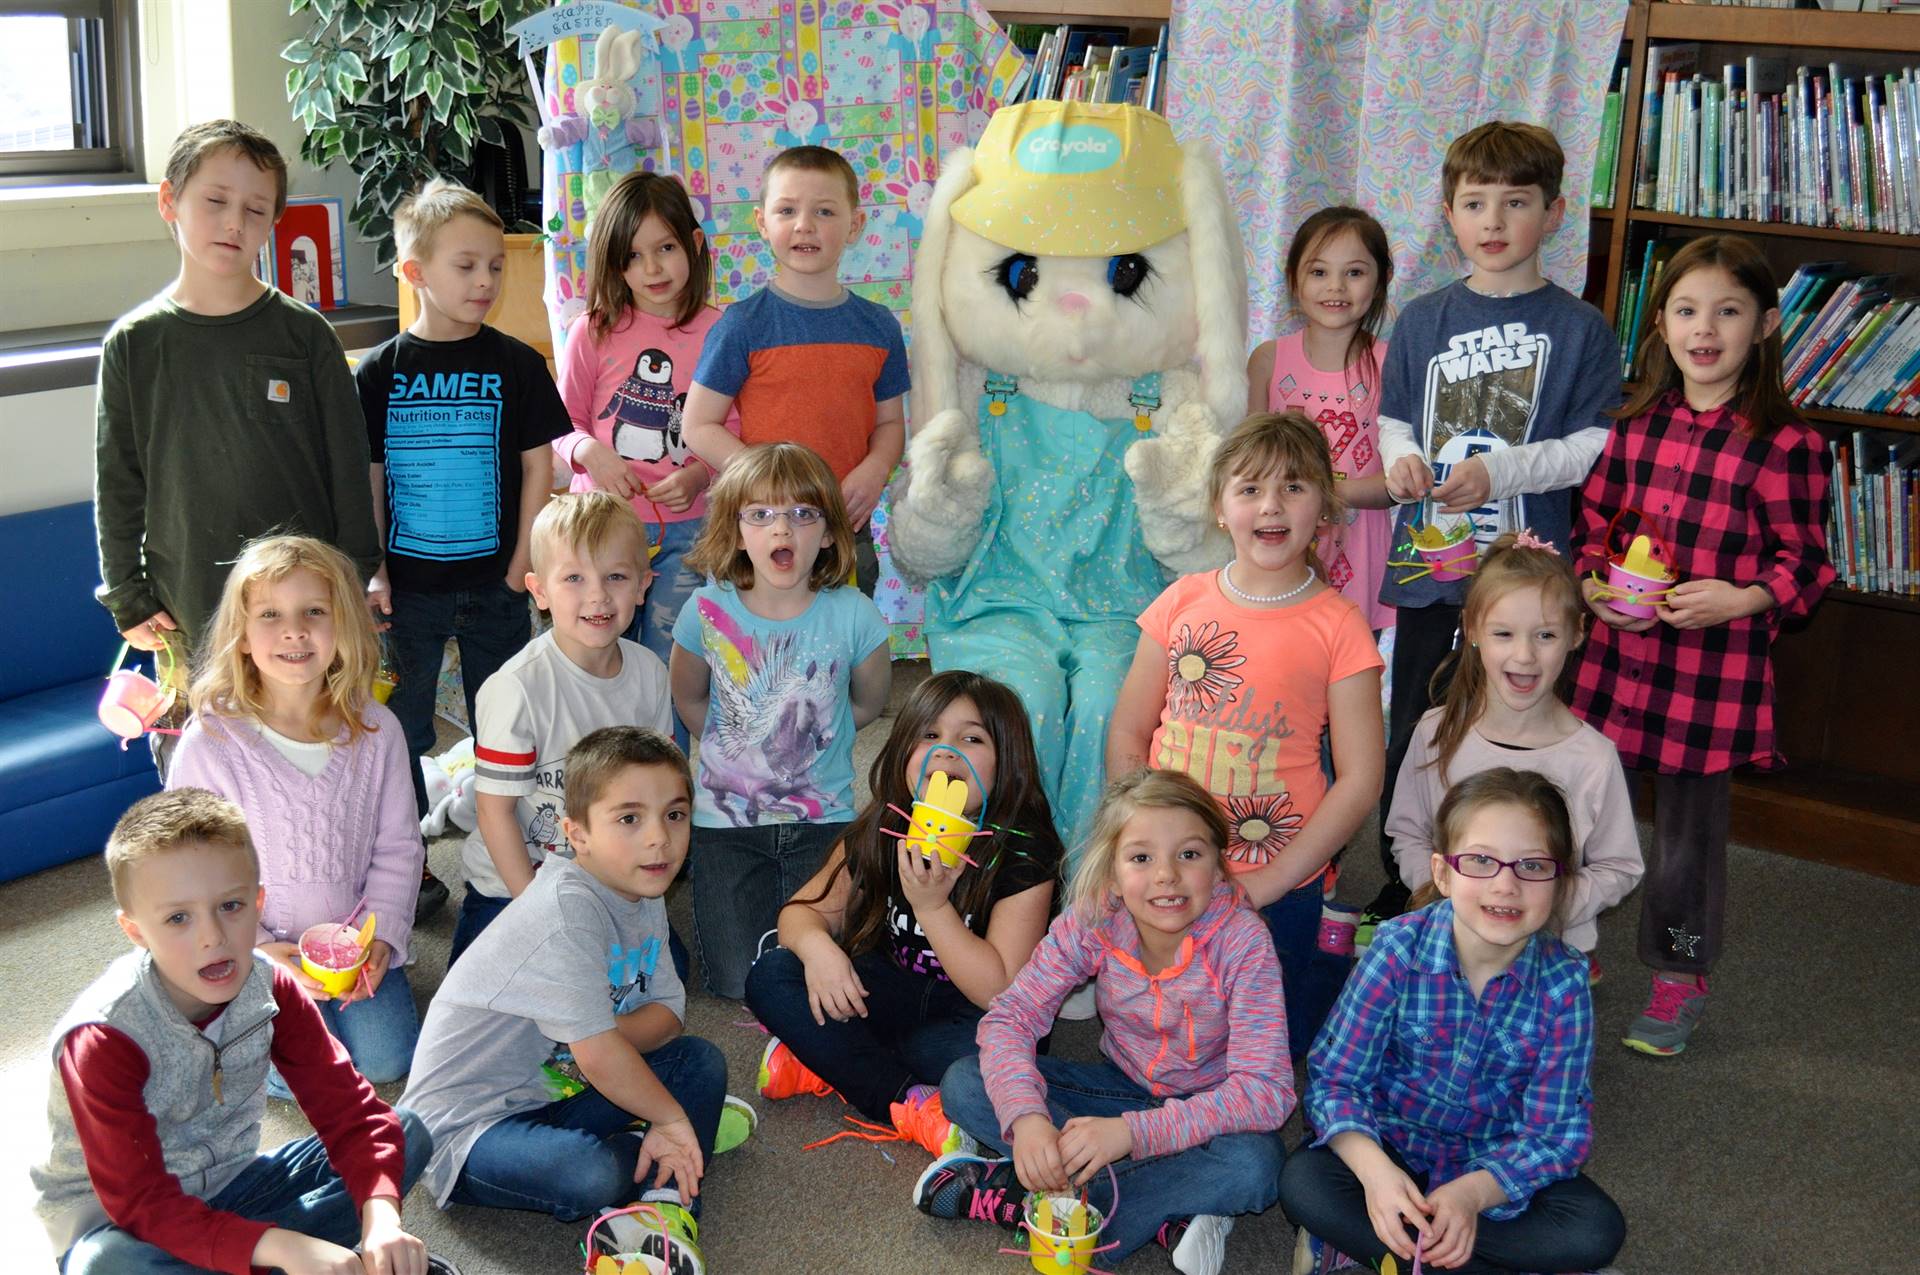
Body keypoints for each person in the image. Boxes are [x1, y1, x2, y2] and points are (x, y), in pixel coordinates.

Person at [1571, 235, 1834, 1057]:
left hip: (1707, 679)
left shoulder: (1789, 445)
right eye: (1686, 310)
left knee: (1686, 844)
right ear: (1661, 325)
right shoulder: (1633, 422)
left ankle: (1680, 973)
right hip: (1613, 663)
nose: (1705, 329)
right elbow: (1590, 533)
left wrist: (1742, 597)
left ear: (1764, 324)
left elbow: (1808, 566)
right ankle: (1572, 946)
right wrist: (1593, 587)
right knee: (1579, 812)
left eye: (1728, 310)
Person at [1370, 121, 1622, 935]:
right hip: (1429, 565)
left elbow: (1591, 445)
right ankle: (1409, 880)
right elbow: (1395, 418)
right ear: (1448, 212)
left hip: (1528, 574)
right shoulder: (1420, 319)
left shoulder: (1581, 327)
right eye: (1475, 202)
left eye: (1515, 202)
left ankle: (1529, 887)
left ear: (1552, 214)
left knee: (1521, 721)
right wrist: (1404, 459)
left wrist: (1501, 472)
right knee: (1415, 720)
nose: (1493, 219)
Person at [31, 789, 436, 1275]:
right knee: (104, 1265)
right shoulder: (102, 1038)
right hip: (124, 1225)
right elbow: (142, 1203)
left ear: (258, 902)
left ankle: (275, 1257)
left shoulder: (272, 986)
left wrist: (382, 1221)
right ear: (135, 931)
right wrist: (288, 1248)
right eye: (178, 918)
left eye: (231, 906)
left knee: (404, 1133)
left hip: (234, 1187)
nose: (213, 937)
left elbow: (351, 1111)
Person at [916, 769, 1291, 1275]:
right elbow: (1011, 1017)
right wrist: (1027, 1119)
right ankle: (1155, 1206)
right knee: (964, 1081)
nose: (1166, 875)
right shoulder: (1095, 918)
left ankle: (1030, 1197)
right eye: (1141, 857)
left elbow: (1265, 1091)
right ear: (1112, 873)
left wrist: (1133, 1136)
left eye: (1189, 854)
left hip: (1210, 1112)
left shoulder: (1243, 943)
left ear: (1219, 868)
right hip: (1118, 1087)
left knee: (1257, 1166)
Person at [93, 119, 380, 775]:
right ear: (170, 202)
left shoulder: (305, 336)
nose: (234, 222)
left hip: (305, 604)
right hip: (189, 599)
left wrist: (355, 578)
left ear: (272, 224)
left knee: (312, 757)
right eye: (215, 201)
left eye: (255, 209)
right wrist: (129, 595)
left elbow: (346, 464)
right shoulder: (134, 344)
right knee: (206, 776)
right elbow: (118, 482)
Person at [403, 728, 744, 1275]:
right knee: (591, 1175)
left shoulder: (641, 883)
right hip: (467, 1128)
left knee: (701, 1060)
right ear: (575, 834)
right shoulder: (566, 910)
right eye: (629, 819)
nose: (659, 839)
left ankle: (665, 1204)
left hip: (559, 1084)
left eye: (674, 815)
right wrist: (665, 1108)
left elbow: (670, 1015)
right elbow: (605, 1051)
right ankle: (665, 1144)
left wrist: (599, 1043)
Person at [1108, 411, 1384, 1057]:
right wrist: (1138, 836)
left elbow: (1362, 776)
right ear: (1219, 506)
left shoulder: (1341, 624)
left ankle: (1342, 968)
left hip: (1276, 876)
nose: (1271, 504)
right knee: (1167, 1032)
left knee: (1274, 1044)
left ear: (1325, 507)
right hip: (1171, 868)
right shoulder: (1181, 599)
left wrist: (1273, 881)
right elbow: (1128, 727)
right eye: (1250, 487)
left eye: (1294, 486)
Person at [1280, 769, 1627, 1275]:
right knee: (1304, 1181)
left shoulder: (1564, 984)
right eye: (1481, 861)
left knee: (1595, 1229)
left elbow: (1555, 1134)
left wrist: (1471, 1195)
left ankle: (1382, 1254)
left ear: (1559, 882)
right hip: (1391, 1148)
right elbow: (1336, 1081)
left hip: (1488, 1171)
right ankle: (1426, 1251)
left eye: (1532, 866)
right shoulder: (1397, 948)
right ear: (1443, 874)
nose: (1505, 885)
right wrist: (1376, 1175)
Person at [356, 178, 567, 929]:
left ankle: (508, 841)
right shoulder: (380, 372)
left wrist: (522, 561)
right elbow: (371, 474)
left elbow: (540, 465)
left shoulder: (515, 363)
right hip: (407, 591)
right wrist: (374, 563)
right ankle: (403, 861)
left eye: (495, 267)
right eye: (465, 267)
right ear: (415, 273)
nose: (484, 281)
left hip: (496, 585)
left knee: (503, 720)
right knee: (401, 726)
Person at [742, 670, 1063, 1154]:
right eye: (928, 735)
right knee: (772, 975)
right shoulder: (887, 824)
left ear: (1007, 762)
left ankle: (833, 1061)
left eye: (971, 738)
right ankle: (905, 1100)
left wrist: (932, 906)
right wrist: (820, 953)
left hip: (971, 1014)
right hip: (889, 990)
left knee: (977, 1067)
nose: (946, 750)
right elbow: (799, 916)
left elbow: (1000, 991)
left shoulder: (1024, 853)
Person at [168, 537, 425, 1087]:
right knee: (301, 1071)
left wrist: (383, 938)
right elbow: (187, 872)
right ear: (240, 635)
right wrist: (258, 950)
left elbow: (400, 847)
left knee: (386, 1062)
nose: (294, 631)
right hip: (248, 949)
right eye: (270, 615)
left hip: (351, 940)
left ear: (344, 625)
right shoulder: (210, 742)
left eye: (314, 611)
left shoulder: (379, 732)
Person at [670, 443, 893, 998]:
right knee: (735, 982)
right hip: (726, 826)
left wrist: (824, 737)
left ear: (829, 533)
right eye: (761, 514)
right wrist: (734, 745)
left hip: (825, 820)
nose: (782, 530)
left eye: (803, 513)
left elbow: (867, 705)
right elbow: (690, 700)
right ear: (735, 529)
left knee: (823, 963)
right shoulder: (705, 611)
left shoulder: (856, 615)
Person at [1385, 532, 1643, 977]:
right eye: (1503, 633)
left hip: (1549, 962)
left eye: (1545, 635)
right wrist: (1445, 894)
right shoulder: (1435, 733)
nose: (1524, 656)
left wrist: (1553, 903)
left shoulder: (1593, 757)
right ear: (1471, 629)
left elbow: (1620, 865)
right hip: (1445, 950)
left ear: (1576, 634)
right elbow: (1407, 832)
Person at [556, 171, 740, 747]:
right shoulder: (591, 332)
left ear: (696, 245)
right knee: (598, 653)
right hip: (602, 533)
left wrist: (700, 472)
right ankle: (597, 776)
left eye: (665, 248)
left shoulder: (722, 329)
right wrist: (590, 453)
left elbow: (734, 426)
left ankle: (668, 780)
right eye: (634, 256)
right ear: (613, 266)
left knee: (670, 662)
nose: (653, 269)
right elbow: (560, 425)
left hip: (690, 531)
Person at [450, 492, 673, 965]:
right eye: (574, 578)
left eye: (615, 576)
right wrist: (536, 912)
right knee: (491, 1005)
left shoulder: (651, 672)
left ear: (643, 585)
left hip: (610, 880)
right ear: (540, 591)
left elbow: (658, 791)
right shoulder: (516, 688)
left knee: (659, 973)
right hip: (514, 884)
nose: (597, 595)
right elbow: (495, 814)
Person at [680, 145, 910, 595]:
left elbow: (889, 424)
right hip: (760, 529)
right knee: (754, 646)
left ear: (855, 225)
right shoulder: (743, 324)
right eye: (787, 210)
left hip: (844, 524)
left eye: (824, 211)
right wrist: (765, 479)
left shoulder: (879, 326)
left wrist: (877, 466)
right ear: (763, 222)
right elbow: (698, 425)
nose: (805, 225)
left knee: (844, 642)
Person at [1248, 205, 1397, 631]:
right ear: (1294, 279)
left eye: (1354, 272)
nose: (1336, 287)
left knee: (1351, 676)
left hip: (1359, 553)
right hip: (1282, 549)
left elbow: (1397, 485)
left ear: (1382, 279)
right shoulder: (1268, 360)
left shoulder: (1391, 365)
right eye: (1318, 272)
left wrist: (1323, 491)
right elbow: (1248, 468)